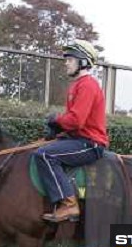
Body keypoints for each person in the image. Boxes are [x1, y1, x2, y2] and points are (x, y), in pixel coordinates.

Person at [34, 40, 109, 223]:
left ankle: (69, 205)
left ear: (82, 61)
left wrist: (56, 121)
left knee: (44, 155)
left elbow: (76, 120)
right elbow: (73, 121)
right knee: (41, 146)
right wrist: (57, 130)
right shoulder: (76, 85)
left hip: (90, 144)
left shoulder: (88, 85)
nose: (66, 63)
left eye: (70, 59)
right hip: (79, 140)